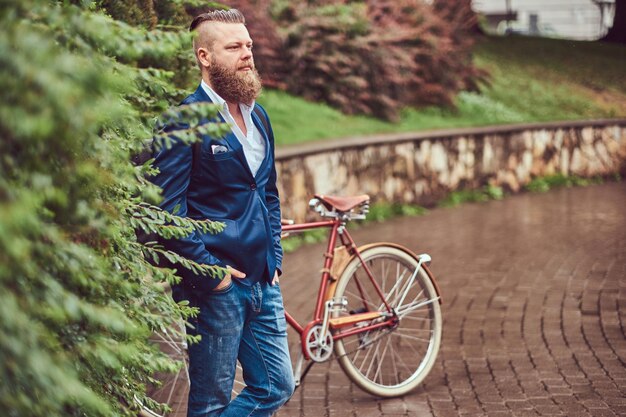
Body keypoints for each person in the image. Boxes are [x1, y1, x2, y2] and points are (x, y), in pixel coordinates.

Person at [150, 9, 294, 417]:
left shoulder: (258, 115)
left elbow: (266, 191)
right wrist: (211, 274)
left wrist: (275, 258)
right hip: (217, 286)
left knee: (276, 387)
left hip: (263, 280)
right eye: (234, 47)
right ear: (205, 56)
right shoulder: (183, 120)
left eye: (248, 45)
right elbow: (167, 209)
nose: (247, 54)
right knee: (211, 402)